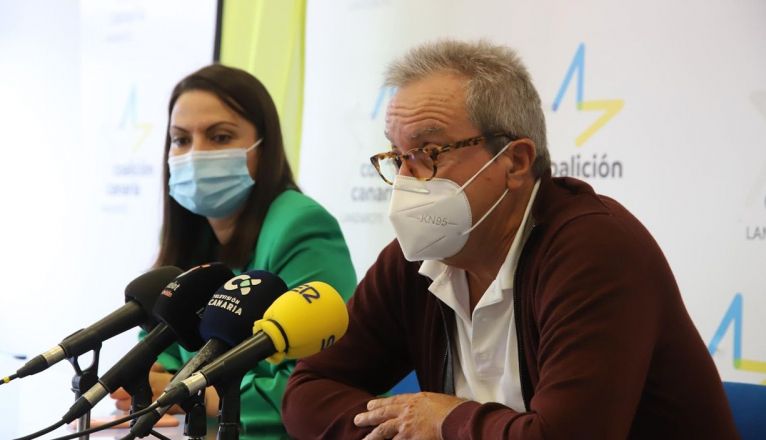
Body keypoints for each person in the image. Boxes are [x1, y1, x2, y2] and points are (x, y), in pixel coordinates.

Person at [281, 40, 738, 439]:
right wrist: (403, 428)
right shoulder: (417, 259)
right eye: (397, 156)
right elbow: (307, 392)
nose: (406, 179)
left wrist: (448, 421)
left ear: (516, 162)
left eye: (427, 153)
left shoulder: (595, 251)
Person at [110, 64, 357, 436]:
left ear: (264, 147)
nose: (196, 154)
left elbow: (311, 387)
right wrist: (154, 383)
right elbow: (156, 358)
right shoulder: (191, 232)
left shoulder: (300, 226)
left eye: (220, 137)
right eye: (181, 140)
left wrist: (186, 393)